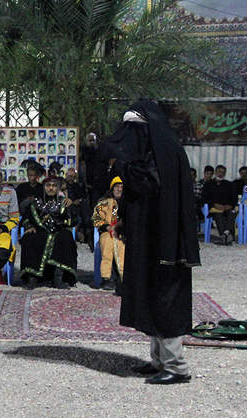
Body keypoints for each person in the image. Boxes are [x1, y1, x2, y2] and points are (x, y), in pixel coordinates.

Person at [103, 100, 200, 385]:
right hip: (150, 239)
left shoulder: (165, 153)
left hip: (166, 242)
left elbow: (150, 185)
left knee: (166, 298)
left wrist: (123, 165)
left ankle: (177, 367)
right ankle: (159, 361)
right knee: (151, 295)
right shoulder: (152, 151)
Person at [20, 175, 77, 289]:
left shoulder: (64, 202)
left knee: (65, 237)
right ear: (44, 187)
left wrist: (71, 207)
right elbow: (26, 218)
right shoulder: (36, 202)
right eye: (48, 185)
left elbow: (73, 220)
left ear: (58, 188)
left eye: (54, 186)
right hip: (40, 230)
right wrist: (29, 226)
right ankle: (33, 277)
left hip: (59, 230)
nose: (51, 188)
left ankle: (58, 277)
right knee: (30, 237)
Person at [92, 176, 125, 291]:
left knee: (122, 246)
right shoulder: (103, 203)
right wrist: (106, 226)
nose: (119, 189)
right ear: (112, 188)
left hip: (123, 233)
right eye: (117, 187)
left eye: (122, 187)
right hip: (107, 231)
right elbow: (96, 219)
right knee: (107, 244)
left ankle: (123, 277)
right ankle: (107, 278)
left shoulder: (128, 203)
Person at [202, 165, 238, 245]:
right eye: (219, 172)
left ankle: (225, 235)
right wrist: (214, 205)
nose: (221, 174)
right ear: (215, 172)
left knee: (232, 213)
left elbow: (234, 198)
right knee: (218, 214)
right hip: (214, 208)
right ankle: (227, 235)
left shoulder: (230, 184)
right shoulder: (208, 184)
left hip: (228, 208)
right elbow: (204, 198)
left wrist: (230, 205)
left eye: (223, 172)